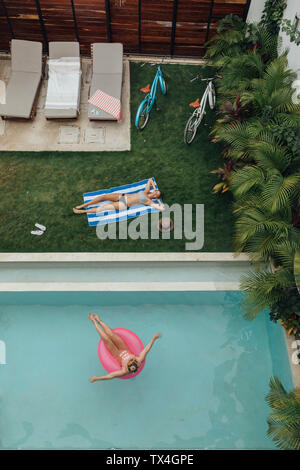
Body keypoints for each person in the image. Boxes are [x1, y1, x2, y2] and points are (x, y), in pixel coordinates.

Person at [88, 313, 162, 381]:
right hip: (123, 347)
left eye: (129, 363)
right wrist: (154, 338)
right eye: (133, 360)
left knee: (106, 338)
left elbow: (111, 376)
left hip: (116, 353)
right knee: (111, 334)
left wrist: (97, 378)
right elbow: (146, 350)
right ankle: (99, 321)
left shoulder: (124, 371)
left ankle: (93, 321)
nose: (131, 360)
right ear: (136, 362)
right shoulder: (139, 360)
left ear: (127, 368)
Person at [73, 178, 164, 214]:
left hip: (124, 204)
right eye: (156, 192)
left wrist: (158, 200)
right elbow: (150, 180)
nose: (155, 193)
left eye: (156, 195)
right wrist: (156, 188)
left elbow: (161, 208)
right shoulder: (146, 191)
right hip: (123, 196)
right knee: (104, 196)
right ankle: (83, 205)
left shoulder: (149, 201)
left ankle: (82, 211)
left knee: (103, 207)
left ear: (155, 197)